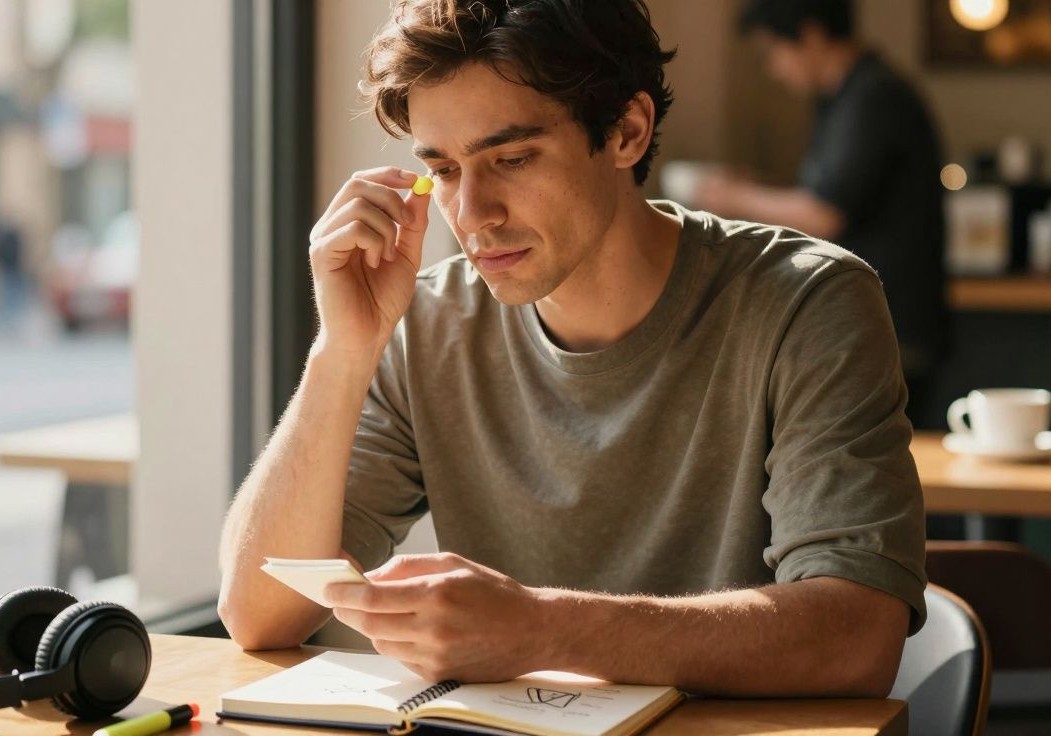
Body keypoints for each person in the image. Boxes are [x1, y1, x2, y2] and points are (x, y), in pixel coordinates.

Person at [218, 0, 925, 697]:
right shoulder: (424, 325)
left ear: (627, 131)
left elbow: (859, 633)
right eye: (447, 172)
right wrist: (341, 349)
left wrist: (543, 628)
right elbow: (258, 612)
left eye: (513, 157)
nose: (472, 217)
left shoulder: (808, 302)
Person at [696, 0, 949, 429]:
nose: (774, 69)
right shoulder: (845, 97)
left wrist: (735, 197)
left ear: (810, 34)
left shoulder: (873, 96)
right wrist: (757, 186)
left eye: (772, 52)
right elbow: (832, 193)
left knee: (876, 467)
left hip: (893, 323)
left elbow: (824, 212)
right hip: (878, 318)